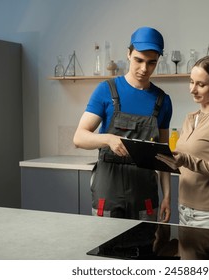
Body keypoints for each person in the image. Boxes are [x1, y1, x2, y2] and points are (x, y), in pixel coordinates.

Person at [73, 26, 172, 222]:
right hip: (108, 191)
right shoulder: (106, 90)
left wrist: (167, 197)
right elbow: (79, 138)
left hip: (144, 193)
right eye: (139, 60)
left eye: (151, 63)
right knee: (105, 248)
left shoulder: (162, 101)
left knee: (145, 248)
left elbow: (163, 157)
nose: (144, 69)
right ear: (128, 54)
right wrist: (108, 139)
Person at [156, 55, 209, 230]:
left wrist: (186, 160)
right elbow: (185, 166)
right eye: (191, 82)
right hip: (184, 213)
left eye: (201, 85)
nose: (192, 90)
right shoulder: (190, 118)